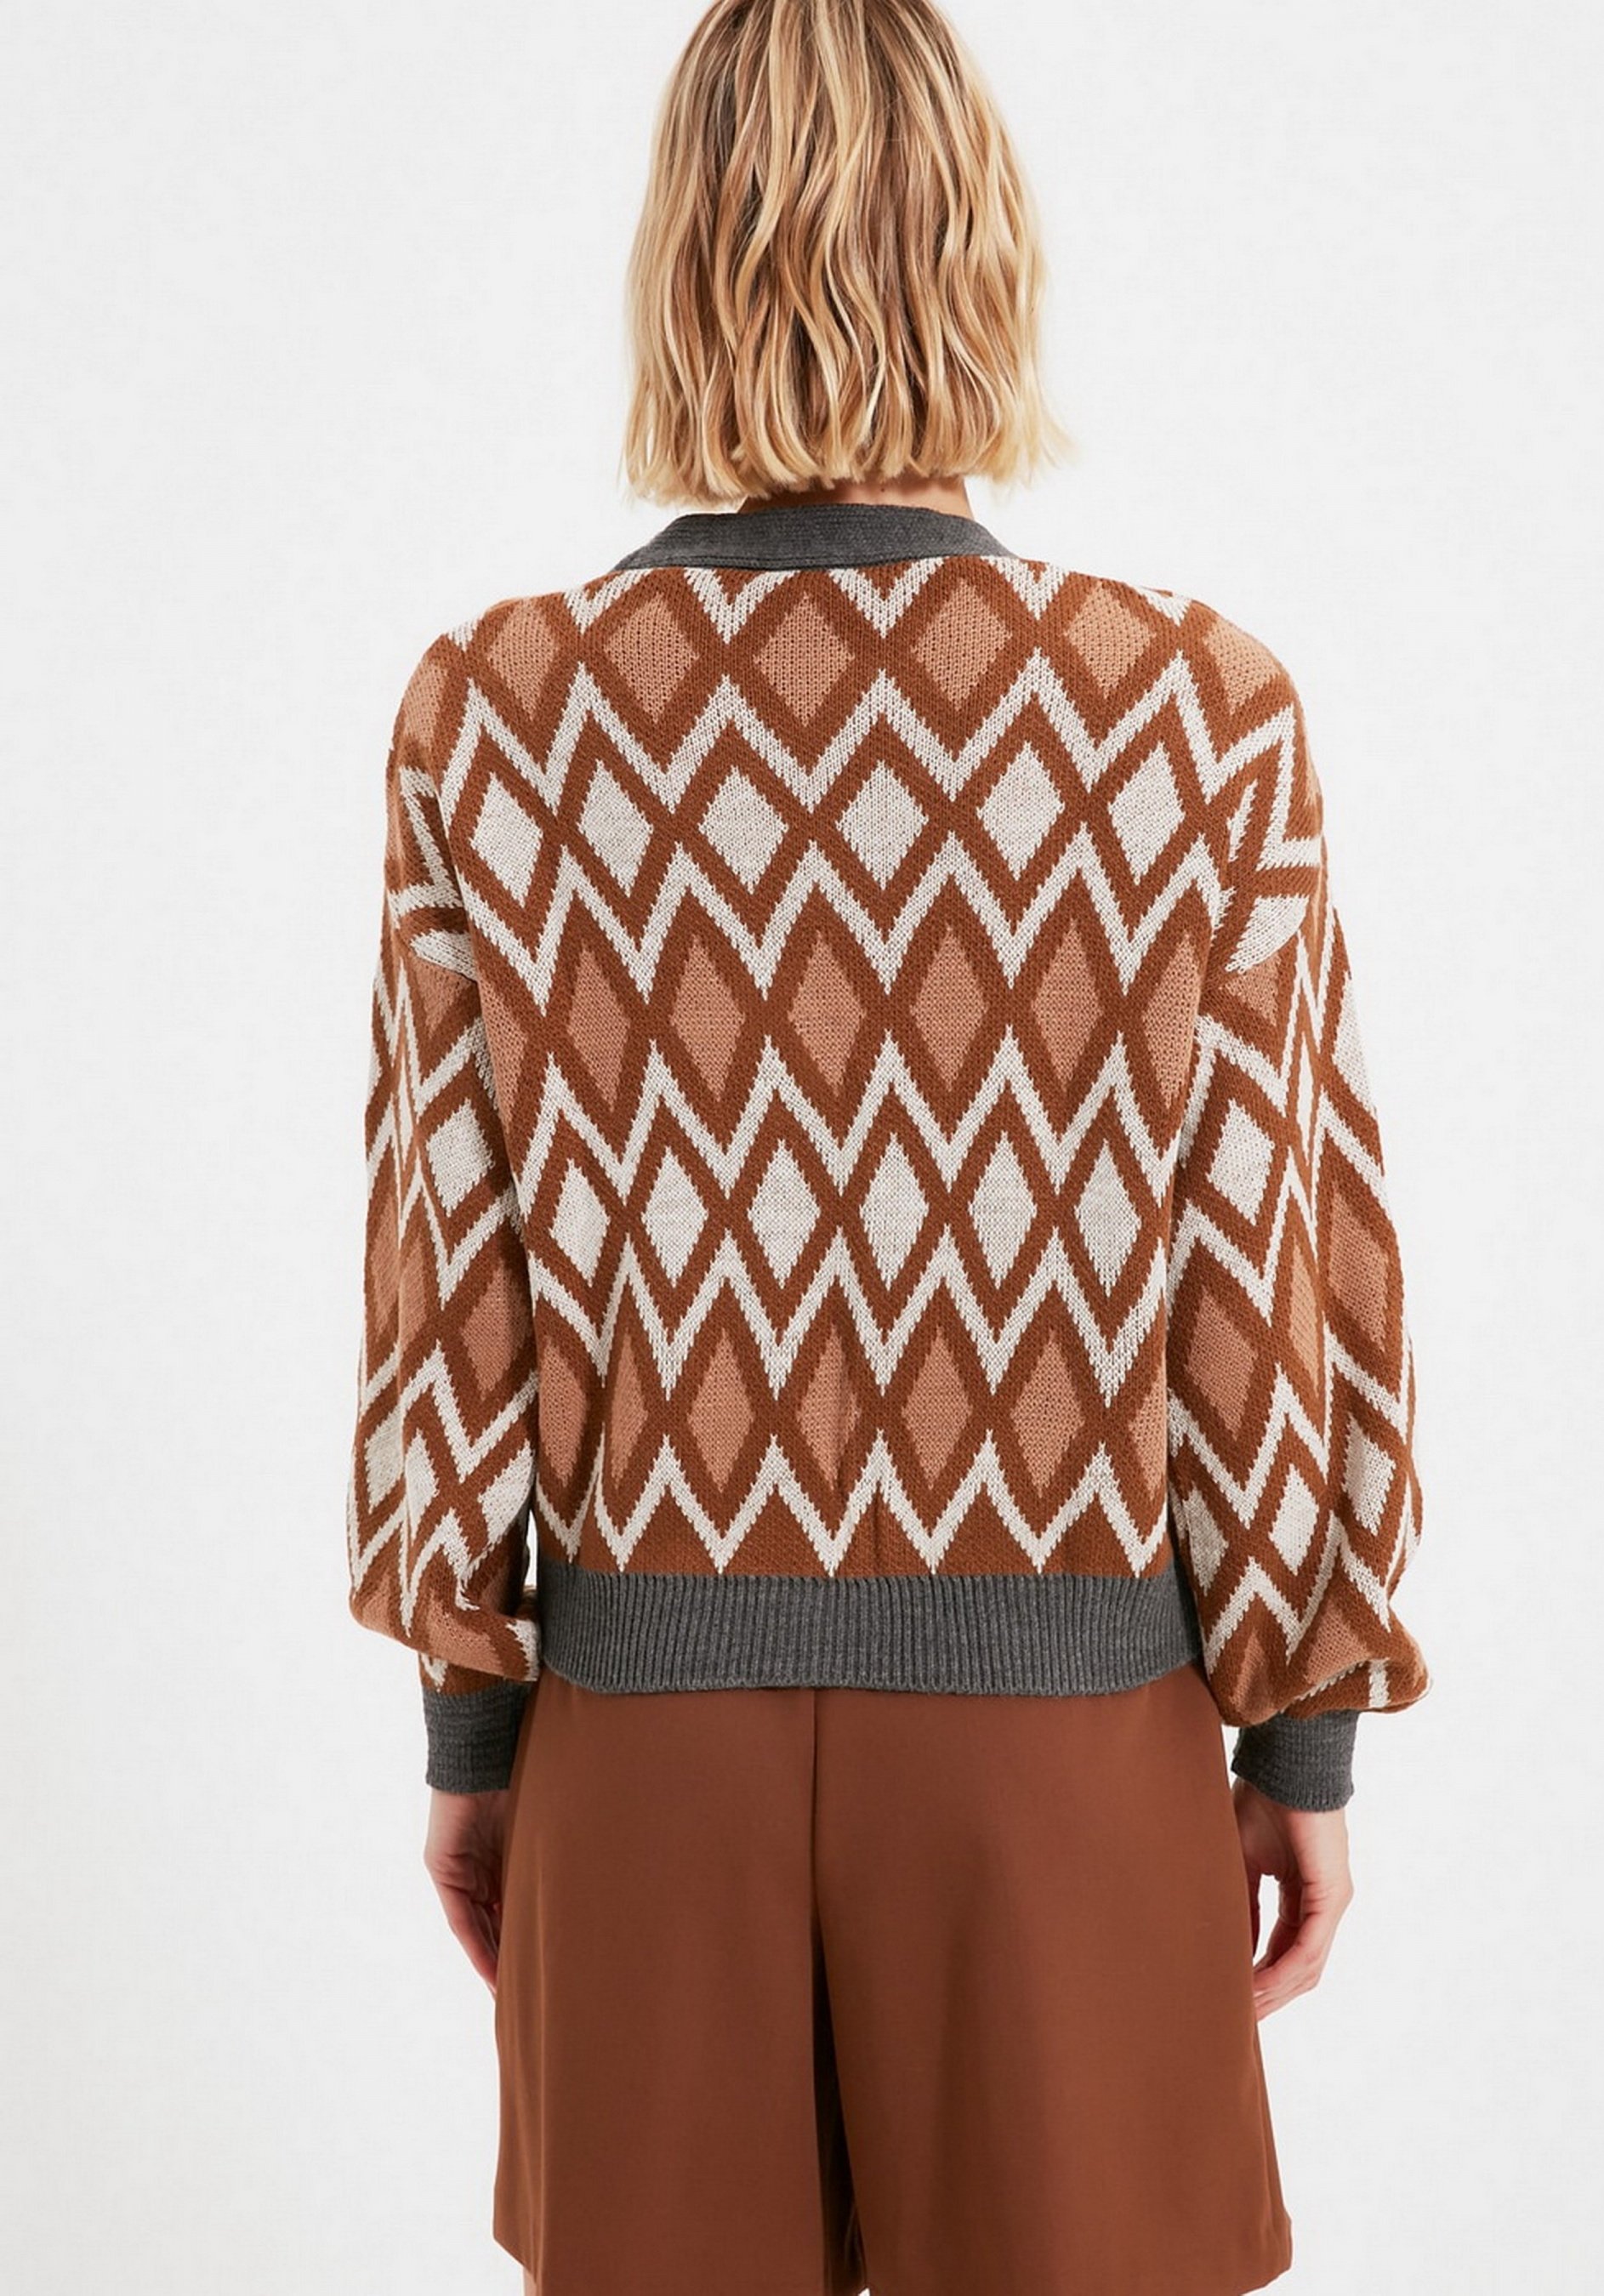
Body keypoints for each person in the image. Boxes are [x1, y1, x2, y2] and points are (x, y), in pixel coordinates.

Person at [344, 3, 1431, 2290]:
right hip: (1067, 1749)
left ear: (678, 258)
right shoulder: (1189, 711)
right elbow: (1268, 1267)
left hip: (641, 1738)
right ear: (985, 255)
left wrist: (473, 1718)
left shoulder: (497, 714)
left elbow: (451, 1272)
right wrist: (1302, 1738)